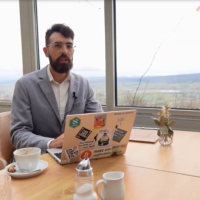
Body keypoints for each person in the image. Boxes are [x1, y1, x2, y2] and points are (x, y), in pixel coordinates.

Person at [10, 24, 103, 154]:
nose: (64, 51)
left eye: (69, 46)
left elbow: (98, 121)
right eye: (58, 45)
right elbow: (18, 134)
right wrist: (51, 143)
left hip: (75, 157)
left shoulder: (83, 84)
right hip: (39, 160)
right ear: (46, 51)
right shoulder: (24, 85)